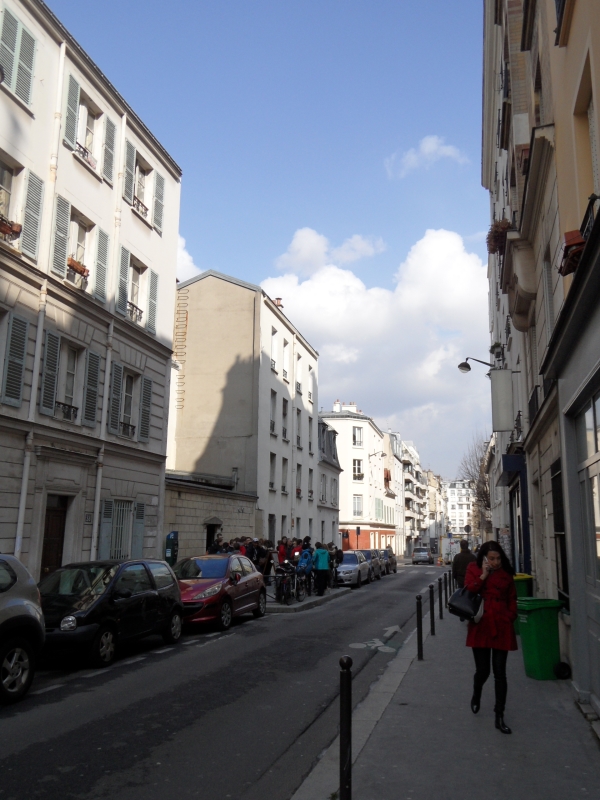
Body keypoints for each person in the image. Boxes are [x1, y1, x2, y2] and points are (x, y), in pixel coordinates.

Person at [464, 541, 517, 735]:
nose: (495, 562)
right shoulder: (474, 568)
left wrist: (510, 616)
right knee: (483, 670)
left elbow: (512, 597)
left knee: (500, 673)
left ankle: (499, 715)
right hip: (481, 624)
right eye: (492, 558)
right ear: (485, 558)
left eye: (498, 558)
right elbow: (469, 590)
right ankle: (477, 692)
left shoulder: (506, 573)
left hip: (501, 624)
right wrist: (483, 575)